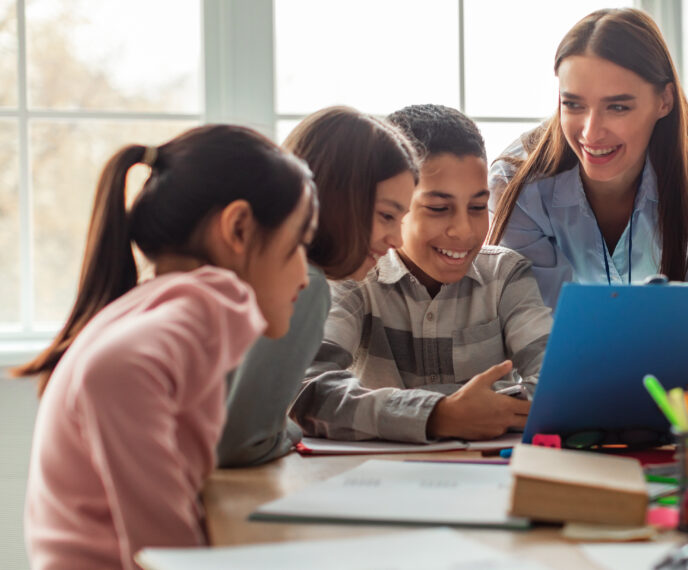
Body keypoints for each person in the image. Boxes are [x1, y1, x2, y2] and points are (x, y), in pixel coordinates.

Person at [16, 125, 316, 569]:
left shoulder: (159, 303)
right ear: (237, 229)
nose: (304, 276)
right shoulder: (198, 308)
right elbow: (114, 370)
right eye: (298, 246)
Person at [291, 104, 552, 443]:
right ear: (397, 204)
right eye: (438, 208)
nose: (463, 230)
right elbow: (308, 392)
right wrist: (440, 415)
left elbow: (553, 387)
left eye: (477, 207)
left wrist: (408, 411)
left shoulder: (506, 274)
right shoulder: (354, 277)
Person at [488, 7, 688, 309]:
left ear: (664, 101)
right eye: (573, 105)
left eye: (617, 107)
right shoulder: (516, 183)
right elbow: (536, 329)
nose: (591, 133)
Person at [216, 106, 420, 467]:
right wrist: (291, 430)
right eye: (386, 216)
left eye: (402, 220)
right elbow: (242, 443)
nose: (398, 240)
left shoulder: (248, 269)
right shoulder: (302, 285)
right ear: (336, 199)